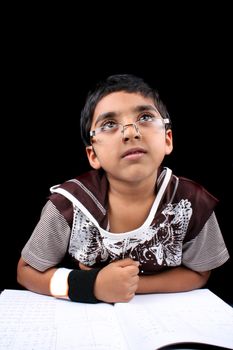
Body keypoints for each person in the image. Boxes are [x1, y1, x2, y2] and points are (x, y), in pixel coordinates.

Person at [17, 74, 230, 304]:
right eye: (109, 124)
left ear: (168, 139)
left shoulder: (192, 204)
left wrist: (131, 286)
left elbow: (200, 273)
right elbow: (26, 271)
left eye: (145, 117)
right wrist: (93, 285)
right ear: (93, 155)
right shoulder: (68, 205)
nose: (130, 132)